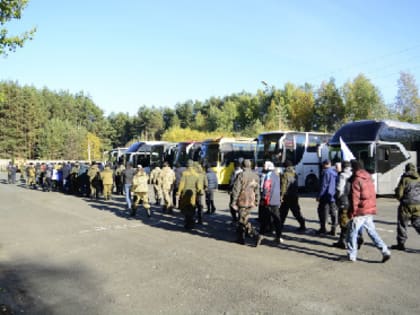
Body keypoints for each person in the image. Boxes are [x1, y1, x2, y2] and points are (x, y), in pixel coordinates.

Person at [346, 160, 391, 263]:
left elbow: (355, 199)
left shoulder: (356, 180)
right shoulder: (368, 178)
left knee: (352, 233)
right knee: (372, 232)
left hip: (360, 211)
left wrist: (352, 212)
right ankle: (385, 251)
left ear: (354, 168)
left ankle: (351, 255)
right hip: (369, 209)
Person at [391, 162, 420, 251]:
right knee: (417, 223)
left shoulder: (404, 179)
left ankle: (401, 244)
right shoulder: (419, 178)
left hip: (406, 205)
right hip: (418, 204)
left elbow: (399, 194)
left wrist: (397, 195)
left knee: (402, 225)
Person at [230, 159, 260, 245]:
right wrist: (257, 200)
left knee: (242, 220)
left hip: (243, 200)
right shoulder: (256, 176)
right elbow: (257, 190)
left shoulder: (241, 175)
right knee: (243, 218)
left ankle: (255, 235)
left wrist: (233, 201)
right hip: (251, 200)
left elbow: (236, 189)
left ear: (242, 166)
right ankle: (241, 238)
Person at [256, 161, 283, 246]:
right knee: (277, 219)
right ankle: (278, 236)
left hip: (268, 201)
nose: (263, 167)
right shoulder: (277, 176)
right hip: (276, 201)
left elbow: (266, 188)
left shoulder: (268, 176)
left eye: (264, 165)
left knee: (264, 219)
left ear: (268, 167)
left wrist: (263, 198)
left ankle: (260, 236)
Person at [279, 160, 306, 236]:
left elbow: (283, 187)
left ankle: (280, 226)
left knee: (283, 212)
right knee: (296, 212)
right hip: (294, 195)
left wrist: (281, 196)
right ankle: (302, 224)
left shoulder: (285, 174)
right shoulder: (294, 174)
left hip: (287, 196)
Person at [177, 160, 203, 230]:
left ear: (187, 165)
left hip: (185, 194)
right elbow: (199, 186)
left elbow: (182, 183)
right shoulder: (197, 175)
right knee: (192, 208)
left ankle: (187, 223)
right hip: (193, 195)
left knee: (185, 209)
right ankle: (191, 223)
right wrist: (200, 191)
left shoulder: (185, 173)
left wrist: (179, 192)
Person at [316, 159, 338, 235]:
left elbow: (324, 186)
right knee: (333, 213)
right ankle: (333, 228)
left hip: (325, 196)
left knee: (322, 211)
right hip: (332, 196)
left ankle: (323, 228)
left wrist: (319, 196)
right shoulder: (335, 172)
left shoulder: (325, 172)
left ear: (324, 164)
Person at [228, 158, 244, 224]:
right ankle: (240, 218)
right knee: (241, 205)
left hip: (234, 191)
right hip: (242, 192)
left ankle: (234, 218)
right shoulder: (243, 171)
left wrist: (229, 189)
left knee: (232, 204)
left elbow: (231, 182)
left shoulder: (235, 172)